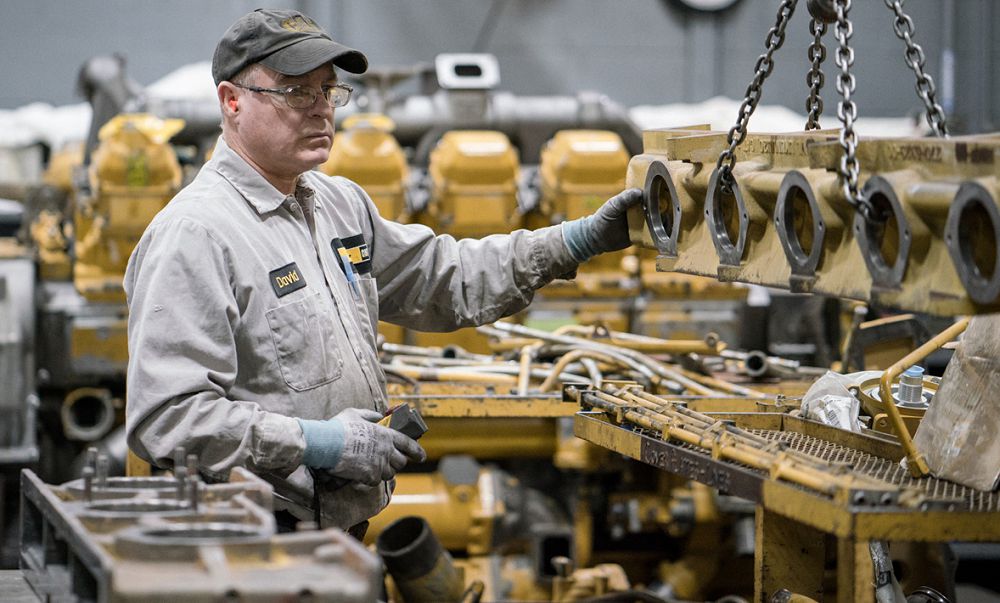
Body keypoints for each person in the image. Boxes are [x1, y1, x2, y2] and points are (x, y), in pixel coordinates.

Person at [124, 8, 642, 536]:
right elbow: (169, 417)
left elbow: (445, 276)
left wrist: (574, 241)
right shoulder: (197, 234)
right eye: (296, 92)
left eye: (328, 91)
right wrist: (318, 443)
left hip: (337, 530)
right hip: (250, 541)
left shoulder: (337, 205)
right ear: (231, 101)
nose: (321, 110)